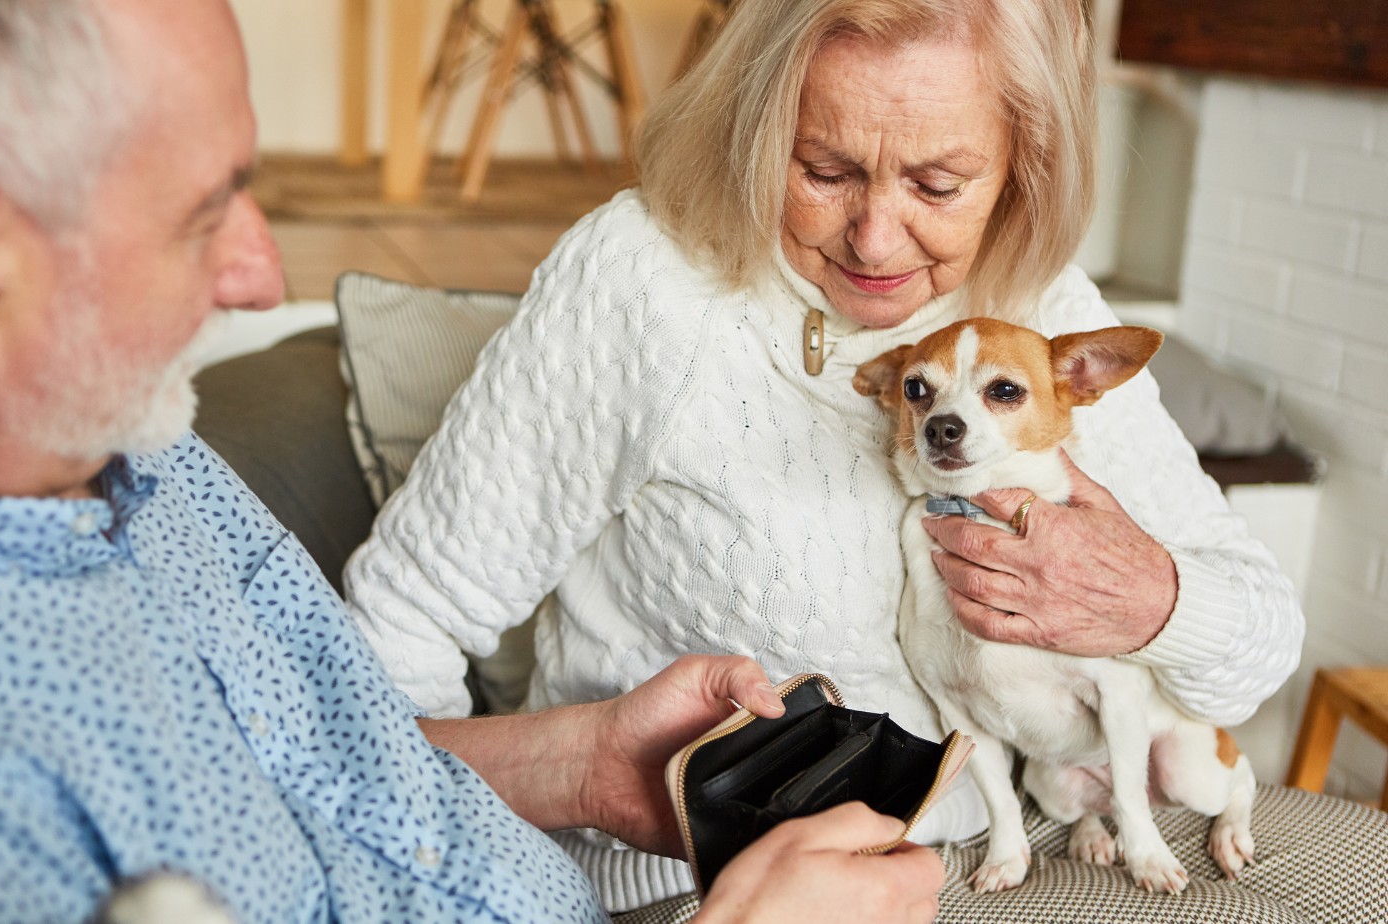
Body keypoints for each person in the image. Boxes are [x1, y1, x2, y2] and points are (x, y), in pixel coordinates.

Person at [0, 1, 948, 922]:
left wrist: (582, 766)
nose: (261, 277)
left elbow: (295, 765)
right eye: (201, 214)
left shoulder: (92, 437)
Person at [343, 0, 1388, 920]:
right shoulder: (642, 284)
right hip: (694, 882)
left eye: (939, 183)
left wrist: (1147, 597)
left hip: (1004, 843)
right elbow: (393, 636)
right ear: (755, 130)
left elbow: (1258, 647)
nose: (876, 241)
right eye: (824, 170)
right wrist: (462, 863)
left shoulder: (1036, 312)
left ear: (1022, 163)